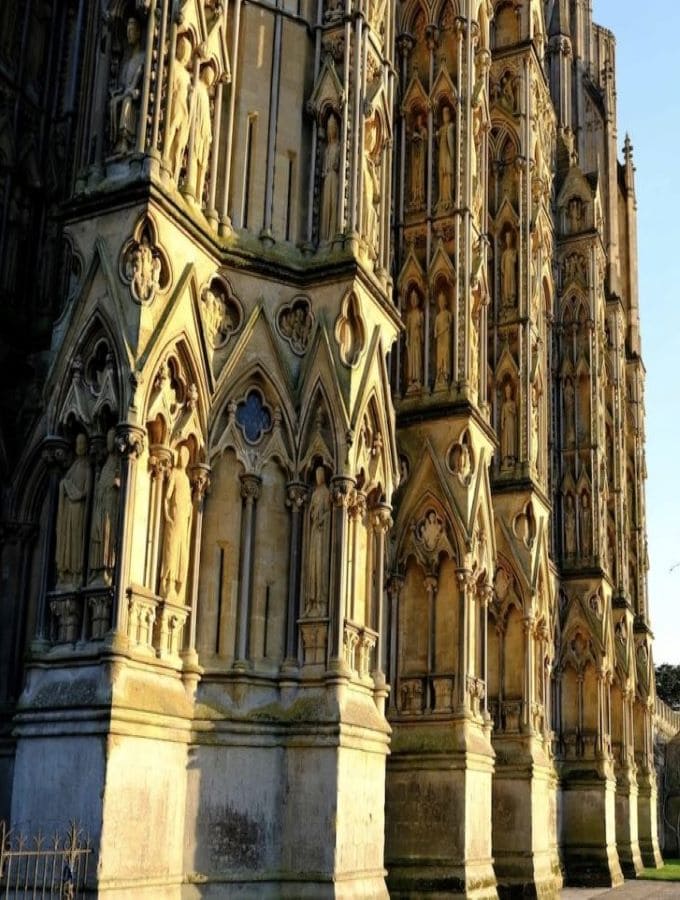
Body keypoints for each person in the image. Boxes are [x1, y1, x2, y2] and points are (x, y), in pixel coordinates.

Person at [55, 433, 90, 587]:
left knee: (76, 543)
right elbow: (64, 482)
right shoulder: (73, 466)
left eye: (82, 443)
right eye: (78, 443)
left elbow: (87, 491)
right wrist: (65, 485)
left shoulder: (88, 467)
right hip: (69, 512)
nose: (79, 446)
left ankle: (76, 574)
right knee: (67, 542)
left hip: (79, 513)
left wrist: (76, 494)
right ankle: (65, 573)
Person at [160, 446, 193, 600]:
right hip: (173, 517)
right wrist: (167, 515)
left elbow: (188, 503)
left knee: (182, 553)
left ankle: (178, 587)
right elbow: (167, 497)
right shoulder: (175, 474)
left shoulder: (186, 479)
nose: (183, 459)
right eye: (181, 456)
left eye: (186, 457)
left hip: (183, 520)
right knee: (171, 550)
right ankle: (168, 583)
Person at [109, 17, 145, 155]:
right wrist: (116, 92)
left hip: (136, 95)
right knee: (113, 102)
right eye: (127, 31)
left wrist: (134, 91)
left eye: (132, 30)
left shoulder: (143, 56)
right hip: (127, 92)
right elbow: (123, 85)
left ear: (139, 33)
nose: (129, 34)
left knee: (127, 101)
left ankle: (125, 141)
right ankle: (115, 141)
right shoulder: (126, 63)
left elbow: (143, 79)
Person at [89, 429, 121, 584]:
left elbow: (122, 482)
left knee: (108, 537)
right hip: (101, 506)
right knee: (100, 538)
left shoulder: (118, 462)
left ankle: (108, 570)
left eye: (111, 439)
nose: (109, 443)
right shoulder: (107, 462)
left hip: (110, 507)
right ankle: (98, 571)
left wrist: (116, 483)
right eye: (107, 439)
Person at [306, 466, 330, 614]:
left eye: (320, 474)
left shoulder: (326, 493)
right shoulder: (314, 494)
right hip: (314, 532)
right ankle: (311, 602)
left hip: (322, 534)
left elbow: (328, 512)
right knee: (312, 568)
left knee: (320, 567)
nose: (318, 476)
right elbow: (309, 512)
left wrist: (322, 519)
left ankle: (321, 602)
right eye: (316, 474)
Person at [320, 113, 340, 241]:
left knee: (334, 205)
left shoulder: (338, 146)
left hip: (334, 177)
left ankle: (332, 235)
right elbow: (323, 168)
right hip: (328, 178)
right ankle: (324, 236)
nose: (330, 130)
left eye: (332, 127)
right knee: (326, 206)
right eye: (329, 128)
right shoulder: (327, 148)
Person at [405, 290, 423, 386]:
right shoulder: (409, 315)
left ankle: (418, 379)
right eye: (412, 299)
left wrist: (420, 328)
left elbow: (423, 328)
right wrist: (407, 339)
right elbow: (407, 329)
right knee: (411, 360)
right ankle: (411, 379)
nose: (413, 301)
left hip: (417, 340)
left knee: (417, 358)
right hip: (412, 341)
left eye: (415, 299)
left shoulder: (420, 313)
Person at [437, 106, 455, 208]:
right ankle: (442, 197)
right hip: (442, 154)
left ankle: (448, 196)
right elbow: (437, 138)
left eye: (447, 113)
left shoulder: (451, 126)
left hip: (448, 154)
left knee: (448, 173)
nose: (445, 116)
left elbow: (452, 140)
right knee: (442, 173)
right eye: (444, 114)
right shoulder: (442, 128)